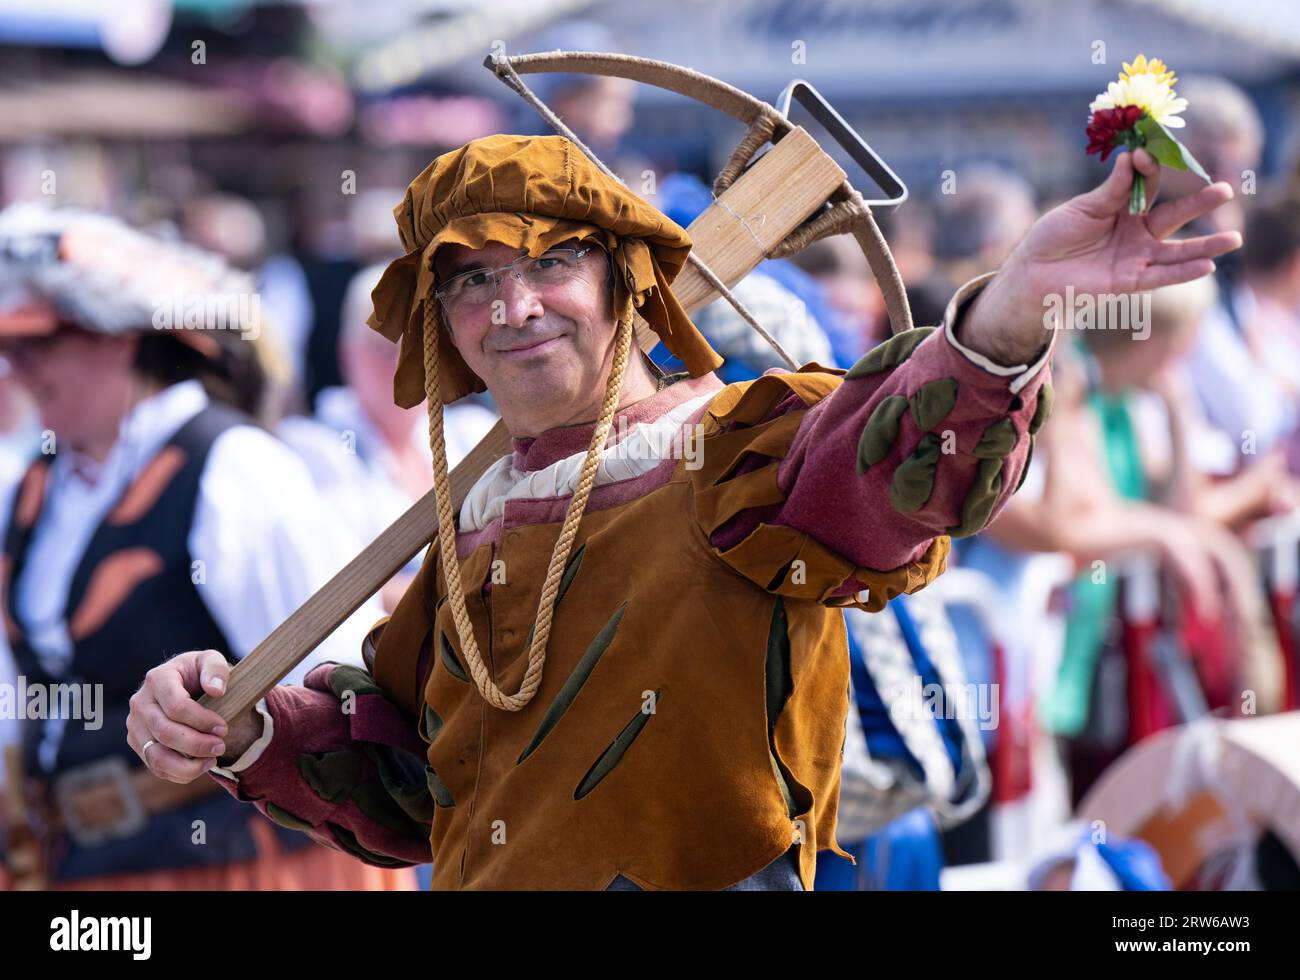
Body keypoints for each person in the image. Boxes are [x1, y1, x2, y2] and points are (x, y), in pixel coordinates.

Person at [128, 133, 1239, 890]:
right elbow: (412, 787)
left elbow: (894, 465)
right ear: (441, 325)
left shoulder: (734, 449)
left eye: (552, 260)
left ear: (623, 282)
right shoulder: (466, 524)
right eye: (469, 280)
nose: (513, 306)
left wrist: (1003, 314)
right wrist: (249, 722)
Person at [0, 206, 412, 890]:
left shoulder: (232, 466)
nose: (18, 367)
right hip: (84, 875)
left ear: (117, 336)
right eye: (11, 348)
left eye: (40, 343)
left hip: (250, 868)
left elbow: (344, 687)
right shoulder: (35, 489)